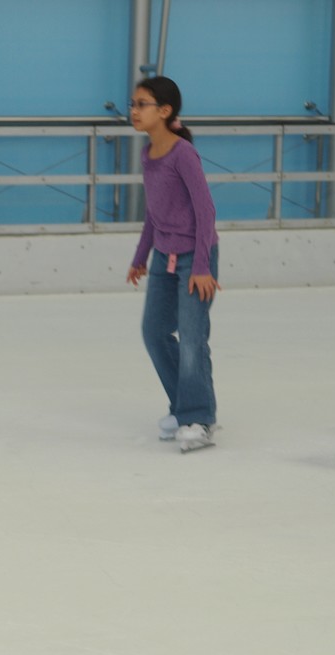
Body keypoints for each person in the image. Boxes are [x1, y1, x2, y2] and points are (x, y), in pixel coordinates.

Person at [125, 75, 222, 453]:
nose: (134, 111)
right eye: (133, 104)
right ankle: (184, 407)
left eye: (142, 104)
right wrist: (140, 258)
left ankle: (199, 418)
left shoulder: (183, 154)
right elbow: (154, 213)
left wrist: (201, 266)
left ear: (165, 111)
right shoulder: (148, 154)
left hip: (195, 259)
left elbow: (205, 211)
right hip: (163, 256)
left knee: (193, 339)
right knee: (154, 332)